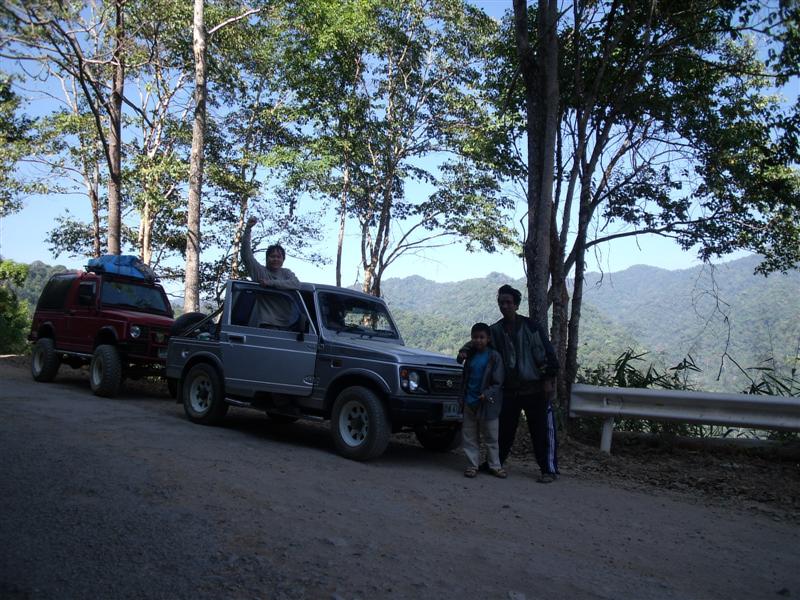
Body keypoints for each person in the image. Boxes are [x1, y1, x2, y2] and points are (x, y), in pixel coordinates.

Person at [458, 284, 560, 483]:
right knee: (504, 430)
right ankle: (495, 464)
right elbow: (478, 342)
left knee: (540, 430)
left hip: (534, 388)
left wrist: (548, 379)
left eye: (508, 302)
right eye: (501, 302)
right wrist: (464, 351)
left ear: (516, 305)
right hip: (510, 390)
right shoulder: (495, 330)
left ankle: (548, 469)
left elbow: (548, 355)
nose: (504, 306)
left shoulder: (531, 327)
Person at [460, 322, 506, 479]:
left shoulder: (494, 357)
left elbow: (498, 382)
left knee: (491, 437)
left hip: (488, 403)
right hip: (470, 401)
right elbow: (464, 375)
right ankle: (472, 465)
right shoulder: (470, 356)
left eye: (481, 337)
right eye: (475, 337)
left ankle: (495, 466)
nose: (478, 340)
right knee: (469, 436)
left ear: (488, 339)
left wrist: (487, 393)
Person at [240, 216, 301, 289]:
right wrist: (248, 229)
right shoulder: (259, 271)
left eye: (278, 257)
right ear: (266, 258)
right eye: (272, 256)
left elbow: (296, 284)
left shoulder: (286, 273)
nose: (275, 259)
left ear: (283, 260)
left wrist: (270, 283)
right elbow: (246, 255)